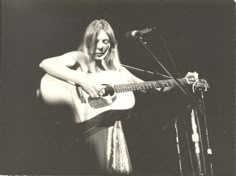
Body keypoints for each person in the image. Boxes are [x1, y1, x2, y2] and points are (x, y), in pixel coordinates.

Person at [38, 19, 198, 175]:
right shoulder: (80, 58)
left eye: (105, 41)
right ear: (89, 41)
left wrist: (182, 81)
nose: (101, 46)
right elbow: (46, 63)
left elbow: (153, 88)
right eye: (96, 41)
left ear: (111, 44)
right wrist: (83, 80)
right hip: (88, 132)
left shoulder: (118, 71)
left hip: (113, 133)